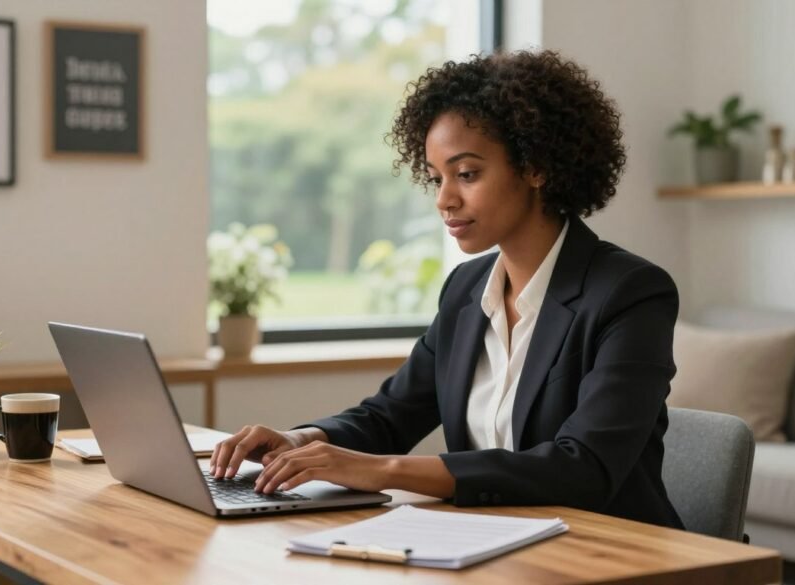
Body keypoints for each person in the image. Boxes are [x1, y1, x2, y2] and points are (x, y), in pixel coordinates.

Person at [211, 50, 684, 529]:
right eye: (437, 178)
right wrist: (302, 441)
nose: (444, 199)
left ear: (536, 165)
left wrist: (386, 470)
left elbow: (584, 467)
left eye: (467, 174)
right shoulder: (466, 289)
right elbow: (390, 416)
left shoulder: (630, 293)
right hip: (493, 541)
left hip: (612, 552)